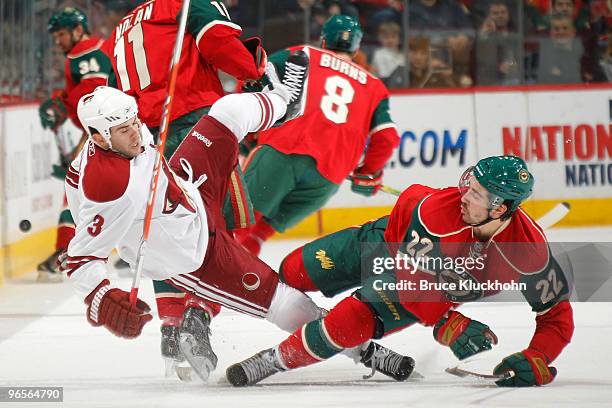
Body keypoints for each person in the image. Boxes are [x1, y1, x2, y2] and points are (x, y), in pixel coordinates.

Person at [64, 61, 411, 383]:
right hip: (196, 254)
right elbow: (79, 259)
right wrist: (104, 301)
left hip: (191, 188)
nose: (137, 134)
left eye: (135, 123)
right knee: (283, 301)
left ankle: (279, 101)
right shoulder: (108, 187)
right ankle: (363, 350)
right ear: (98, 138)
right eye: (125, 131)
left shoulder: (123, 136)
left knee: (227, 113)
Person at [227, 156, 574, 388]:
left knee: (346, 321)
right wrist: (446, 322)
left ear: (500, 208)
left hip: (424, 291)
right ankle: (364, 352)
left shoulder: (527, 254)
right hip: (383, 243)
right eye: (468, 185)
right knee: (291, 273)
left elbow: (556, 315)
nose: (464, 196)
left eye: (477, 194)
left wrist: (539, 356)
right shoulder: (438, 213)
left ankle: (274, 360)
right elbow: (409, 277)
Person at [101, 0, 268, 376]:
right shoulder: (185, 3)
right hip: (198, 127)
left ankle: (172, 326)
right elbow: (217, 39)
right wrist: (253, 69)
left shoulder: (122, 28)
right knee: (223, 228)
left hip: (146, 141)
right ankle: (199, 314)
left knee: (163, 230)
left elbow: (114, 98)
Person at [236, 15, 400, 256]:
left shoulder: (303, 54)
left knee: (238, 224)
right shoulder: (374, 86)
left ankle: (202, 284)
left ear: (323, 41)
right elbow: (386, 137)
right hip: (327, 179)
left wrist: (250, 134)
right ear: (356, 49)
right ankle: (240, 275)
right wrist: (368, 172)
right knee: (260, 232)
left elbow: (253, 76)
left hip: (285, 150)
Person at [37, 7, 112, 282]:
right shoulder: (93, 49)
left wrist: (62, 102)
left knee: (76, 189)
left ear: (78, 30)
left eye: (61, 34)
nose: (58, 41)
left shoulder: (86, 52)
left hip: (107, 129)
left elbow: (94, 93)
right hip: (108, 128)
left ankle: (66, 252)